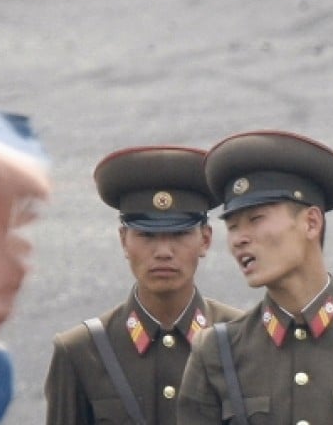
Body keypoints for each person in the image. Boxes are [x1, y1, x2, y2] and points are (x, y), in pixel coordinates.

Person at [178, 130, 333, 424]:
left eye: (256, 219)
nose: (239, 239)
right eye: (233, 226)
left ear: (311, 223)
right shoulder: (214, 352)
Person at [45, 145, 241, 425]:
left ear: (205, 239)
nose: (163, 251)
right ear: (124, 240)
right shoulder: (81, 352)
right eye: (147, 235)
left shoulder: (242, 341)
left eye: (179, 233)